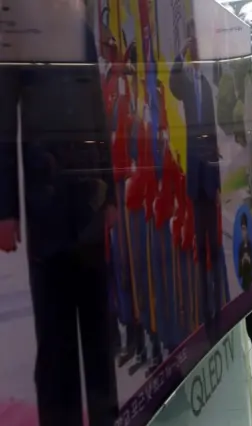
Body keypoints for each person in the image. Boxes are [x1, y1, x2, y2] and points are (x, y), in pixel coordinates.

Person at [0, 22, 119, 426]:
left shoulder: (78, 26)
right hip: (44, 201)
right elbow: (2, 121)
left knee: (98, 332)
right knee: (55, 340)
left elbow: (98, 112)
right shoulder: (16, 22)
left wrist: (113, 194)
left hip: (91, 197)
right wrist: (6, 210)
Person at [170, 20, 229, 338]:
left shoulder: (205, 85)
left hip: (209, 176)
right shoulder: (186, 81)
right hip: (194, 176)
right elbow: (172, 87)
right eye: (192, 39)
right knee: (200, 247)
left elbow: (213, 135)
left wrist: (218, 182)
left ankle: (217, 307)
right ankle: (204, 312)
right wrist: (180, 55)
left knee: (214, 245)